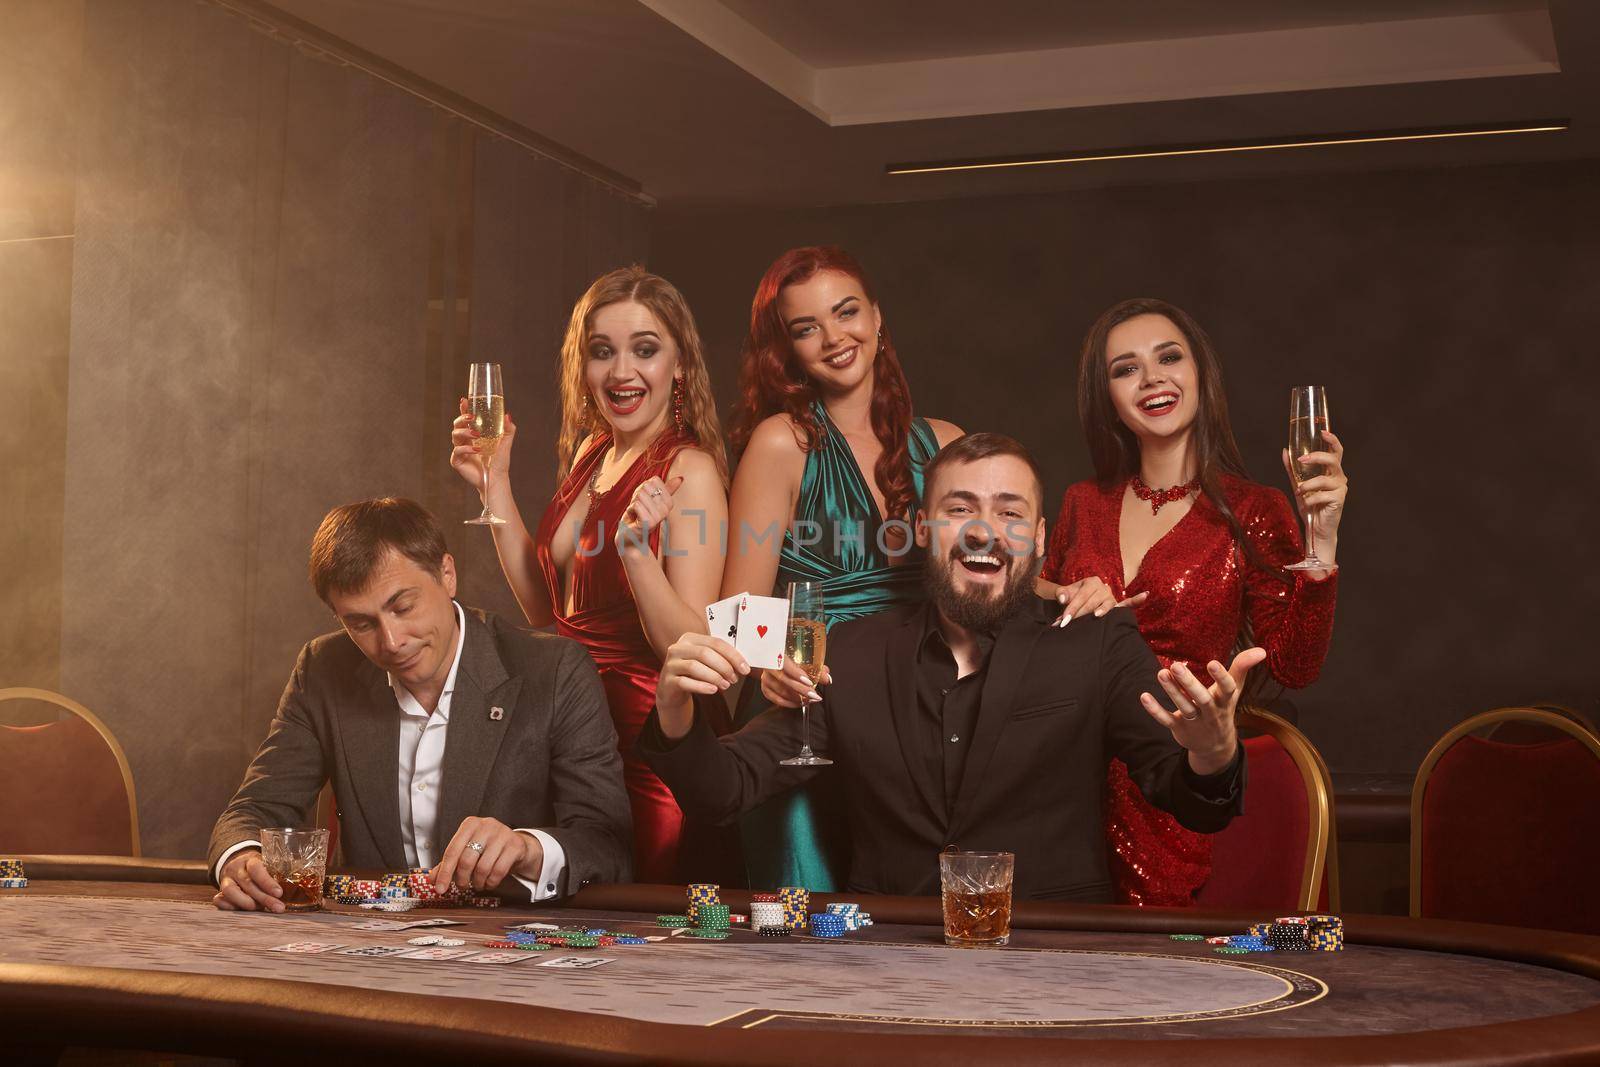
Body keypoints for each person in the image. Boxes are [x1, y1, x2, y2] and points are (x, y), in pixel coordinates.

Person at [641, 434, 1256, 900]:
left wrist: (1213, 753)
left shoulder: (1095, 643)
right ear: (920, 528)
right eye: (961, 509)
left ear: (1039, 539)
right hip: (888, 965)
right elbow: (725, 790)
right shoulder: (852, 652)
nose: (984, 530)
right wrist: (675, 710)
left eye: (1010, 514)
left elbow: (1198, 803)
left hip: (1052, 961)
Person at [1037, 297, 1348, 906]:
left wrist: (1324, 538)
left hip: (1171, 791)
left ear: (1200, 374)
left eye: (1169, 357)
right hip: (1057, 788)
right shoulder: (1082, 502)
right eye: (1126, 368)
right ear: (1108, 398)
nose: (1152, 378)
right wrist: (1057, 590)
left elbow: (1295, 666)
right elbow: (1025, 625)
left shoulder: (1254, 510)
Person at [208, 498, 632, 912]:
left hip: (506, 945)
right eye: (361, 623)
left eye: (403, 607)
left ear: (447, 575)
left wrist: (527, 848)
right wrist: (241, 860)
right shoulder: (323, 669)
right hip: (363, 950)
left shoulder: (555, 671)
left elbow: (607, 845)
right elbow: (254, 809)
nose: (392, 642)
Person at [449, 266, 728, 883]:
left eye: (645, 350)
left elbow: (691, 651)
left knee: (640, 920)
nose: (621, 371)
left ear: (679, 365)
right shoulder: (592, 453)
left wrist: (636, 555)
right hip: (567, 726)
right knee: (572, 913)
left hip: (643, 740)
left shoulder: (692, 471)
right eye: (602, 351)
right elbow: (551, 615)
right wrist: (494, 484)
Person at [719, 245, 965, 892]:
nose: (833, 338)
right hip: (807, 705)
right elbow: (738, 612)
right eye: (806, 328)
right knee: (814, 926)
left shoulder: (946, 443)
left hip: (916, 710)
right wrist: (774, 666)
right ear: (788, 350)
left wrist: (1069, 589)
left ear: (878, 318)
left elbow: (994, 575)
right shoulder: (783, 441)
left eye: (846, 312)